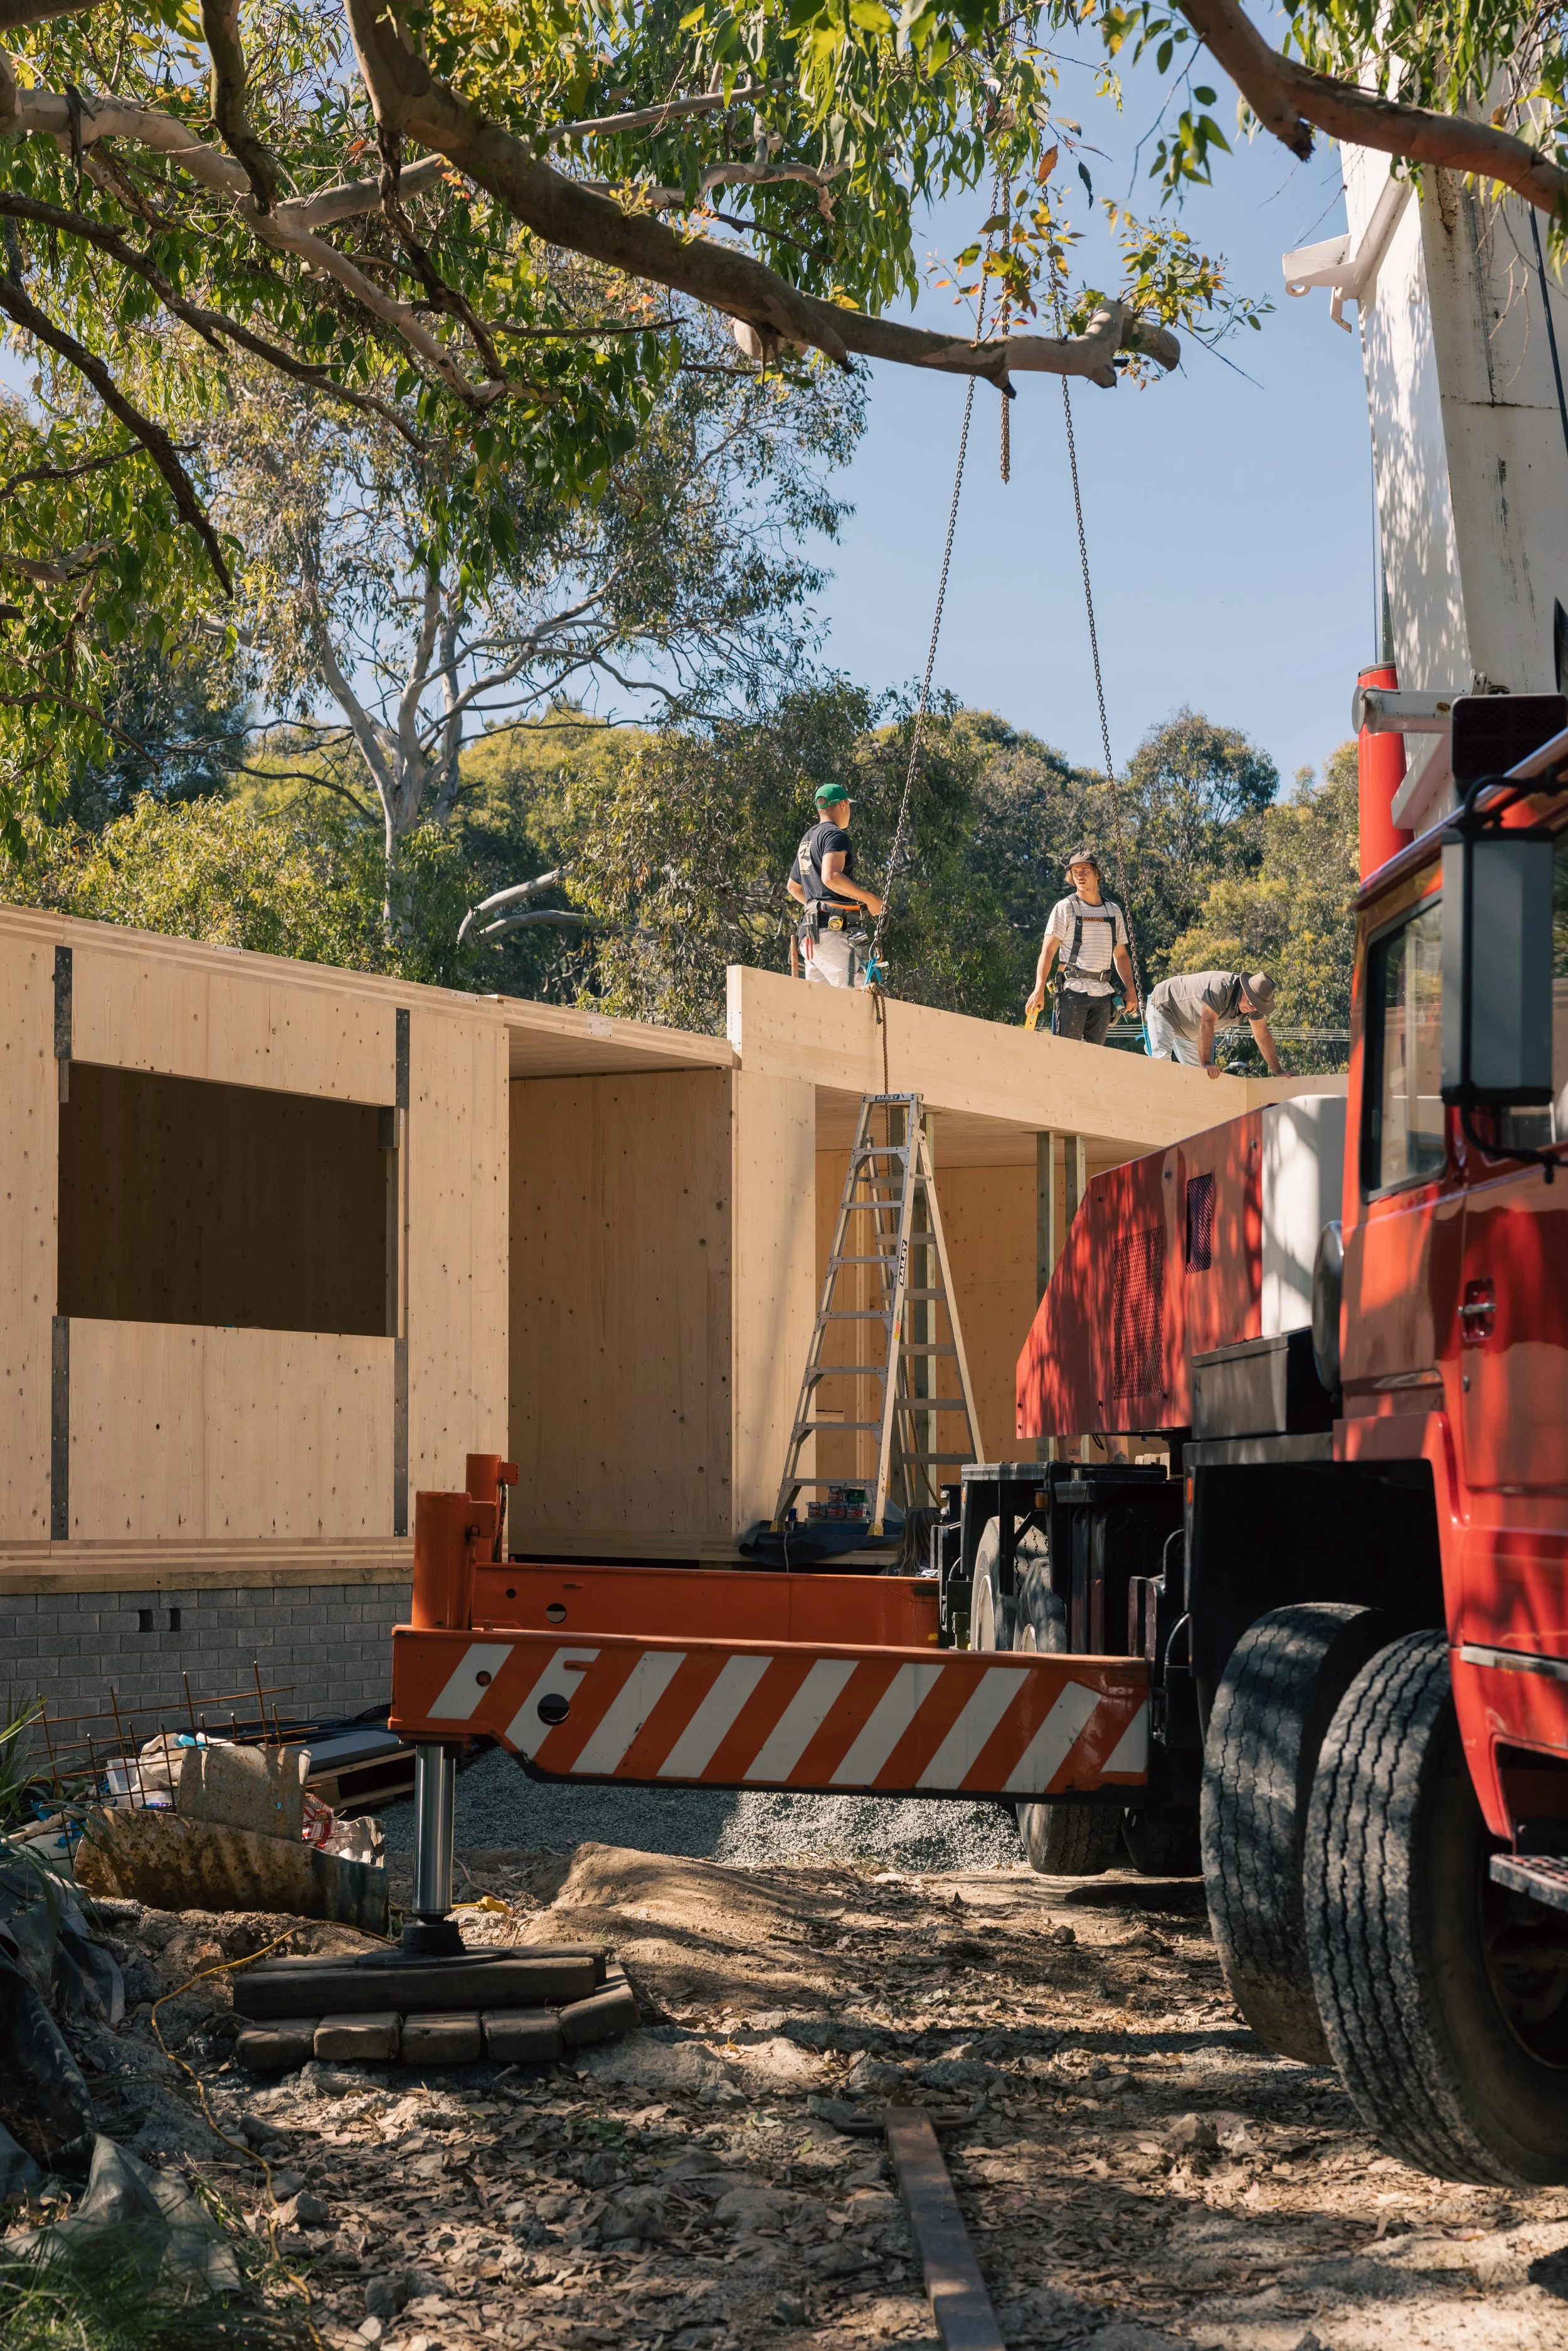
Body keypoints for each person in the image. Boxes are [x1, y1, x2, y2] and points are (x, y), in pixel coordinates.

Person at [1025, 847, 1137, 1045]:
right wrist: (1039, 988)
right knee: (1066, 1054)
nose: (1079, 876)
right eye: (1075, 872)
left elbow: (1120, 956)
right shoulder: (1066, 908)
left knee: (1095, 1058)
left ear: (1096, 874)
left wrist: (1130, 989)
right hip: (1073, 991)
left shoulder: (1113, 912)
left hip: (1103, 994)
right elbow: (1047, 952)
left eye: (1084, 870)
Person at [787, 782, 883, 988]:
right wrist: (871, 900)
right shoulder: (835, 835)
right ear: (841, 805)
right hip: (830, 934)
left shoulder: (808, 839)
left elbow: (793, 887)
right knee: (857, 996)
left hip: (810, 938)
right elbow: (830, 877)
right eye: (848, 806)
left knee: (823, 1009)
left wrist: (817, 908)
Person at [1145, 969, 1283, 1078]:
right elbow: (1207, 1022)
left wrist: (1278, 1071)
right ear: (1245, 989)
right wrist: (1206, 1063)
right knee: (1162, 1062)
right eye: (1251, 1003)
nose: (1252, 1009)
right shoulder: (1221, 987)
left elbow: (1262, 1036)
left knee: (1199, 1076)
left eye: (1257, 1006)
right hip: (1165, 1007)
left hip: (1189, 1029)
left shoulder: (1252, 1008)